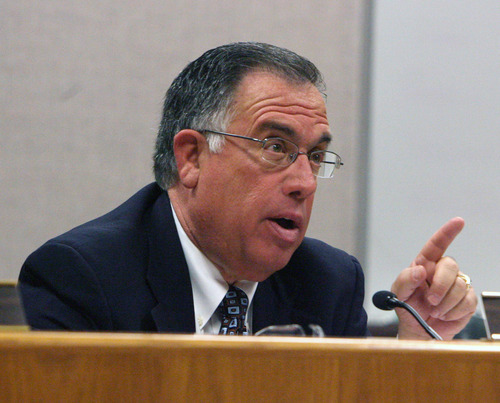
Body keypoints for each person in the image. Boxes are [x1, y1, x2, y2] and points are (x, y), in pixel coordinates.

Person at [18, 42, 477, 339]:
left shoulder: (327, 281)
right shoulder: (84, 278)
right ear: (192, 158)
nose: (303, 182)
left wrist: (415, 347)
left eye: (315, 156)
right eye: (275, 147)